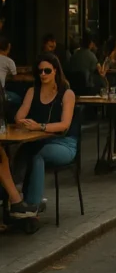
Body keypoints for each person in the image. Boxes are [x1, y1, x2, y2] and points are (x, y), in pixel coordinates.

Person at [3, 53, 77, 218]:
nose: (43, 74)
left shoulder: (67, 93)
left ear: (55, 71)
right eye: (40, 71)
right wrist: (26, 123)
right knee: (20, 152)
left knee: (38, 156)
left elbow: (64, 125)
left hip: (64, 143)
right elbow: (18, 117)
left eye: (47, 71)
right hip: (37, 140)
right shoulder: (32, 91)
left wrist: (40, 126)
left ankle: (33, 205)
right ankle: (13, 199)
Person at [0, 36, 21, 107]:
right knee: (19, 99)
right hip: (1, 93)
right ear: (8, 47)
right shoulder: (9, 61)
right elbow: (15, 78)